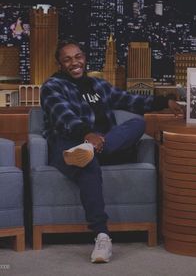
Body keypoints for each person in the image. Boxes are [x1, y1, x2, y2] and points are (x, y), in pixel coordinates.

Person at [40, 38, 183, 263]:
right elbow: (64, 117)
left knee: (137, 123)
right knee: (87, 162)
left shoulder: (99, 85)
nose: (74, 62)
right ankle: (102, 235)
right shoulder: (53, 87)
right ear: (60, 64)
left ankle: (91, 149)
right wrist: (87, 135)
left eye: (78, 57)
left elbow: (131, 100)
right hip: (69, 145)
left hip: (104, 144)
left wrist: (165, 102)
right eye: (67, 59)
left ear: (84, 59)